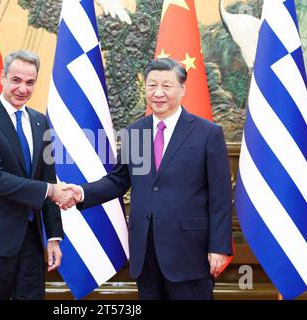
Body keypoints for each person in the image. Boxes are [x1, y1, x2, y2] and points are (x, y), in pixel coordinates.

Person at [63, 58, 233, 300]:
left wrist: (219, 247)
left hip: (189, 252)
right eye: (152, 86)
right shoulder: (135, 132)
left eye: (166, 85)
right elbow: (118, 181)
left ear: (182, 89)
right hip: (145, 251)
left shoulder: (207, 133)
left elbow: (221, 196)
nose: (158, 93)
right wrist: (81, 193)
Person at [0, 50, 73, 300]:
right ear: (2, 77)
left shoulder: (39, 121)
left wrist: (53, 236)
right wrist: (50, 191)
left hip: (31, 243)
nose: (23, 88)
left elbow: (48, 176)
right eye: (16, 80)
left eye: (30, 82)